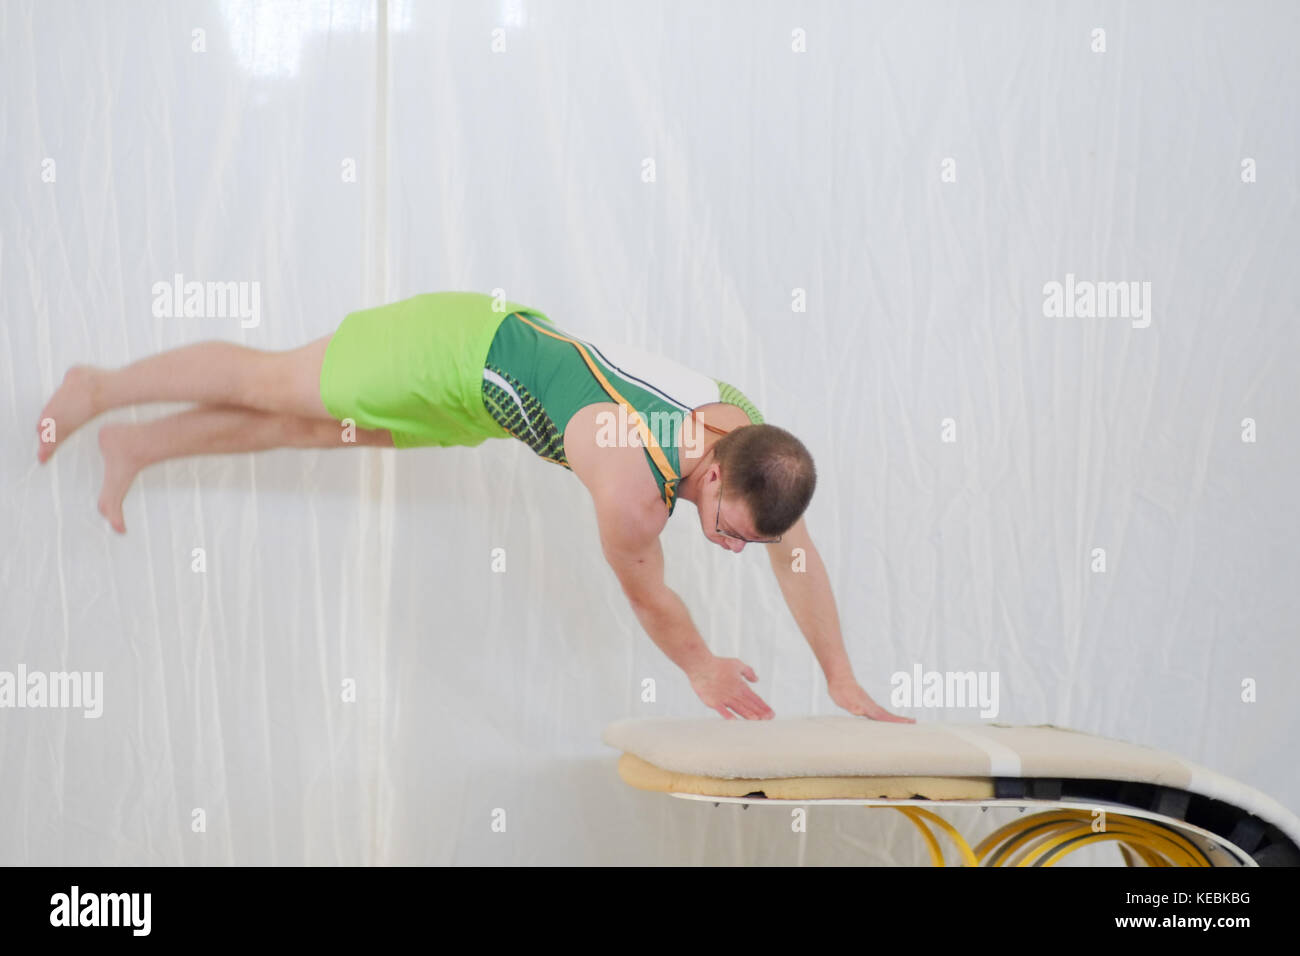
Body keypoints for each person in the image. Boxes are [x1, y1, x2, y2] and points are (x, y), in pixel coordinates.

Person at [37, 291, 912, 724]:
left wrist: (839, 677)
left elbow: (794, 550)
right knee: (274, 381)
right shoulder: (629, 486)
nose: (733, 549)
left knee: (312, 432)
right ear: (713, 478)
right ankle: (101, 388)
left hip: (482, 404)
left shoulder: (744, 434)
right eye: (729, 535)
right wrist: (699, 666)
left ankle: (140, 447)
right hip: (454, 352)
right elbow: (651, 597)